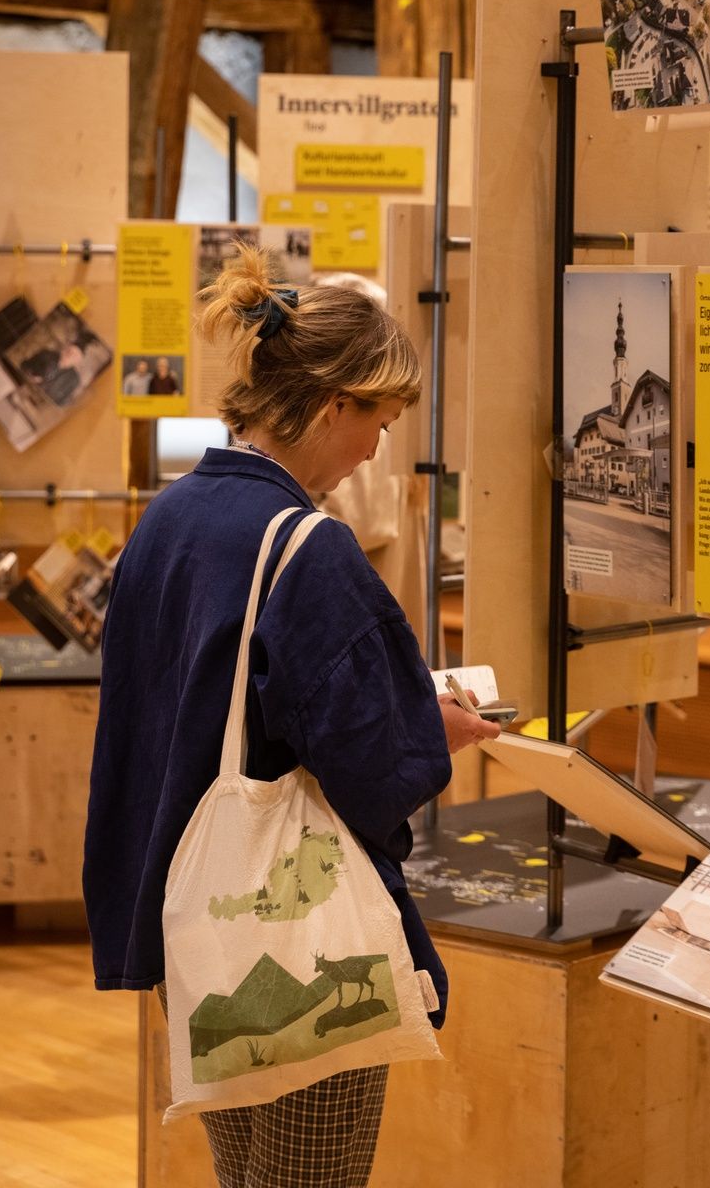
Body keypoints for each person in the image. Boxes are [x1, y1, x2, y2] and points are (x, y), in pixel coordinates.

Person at [83, 246, 498, 1187]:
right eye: (379, 422)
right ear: (331, 405)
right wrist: (429, 726)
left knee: (246, 1176)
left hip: (189, 910)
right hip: (293, 928)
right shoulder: (309, 547)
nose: (375, 451)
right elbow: (369, 764)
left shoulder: (167, 520)